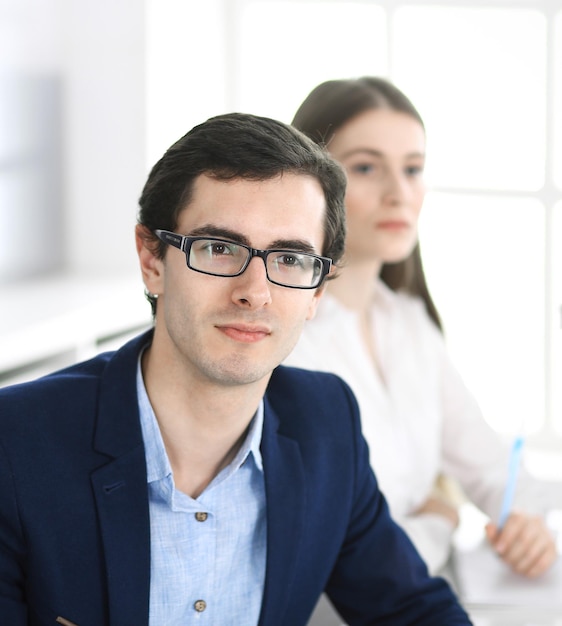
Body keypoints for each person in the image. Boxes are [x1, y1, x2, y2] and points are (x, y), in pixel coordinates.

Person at [0, 112, 471, 625]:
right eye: (219, 249)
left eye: (290, 258)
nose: (254, 291)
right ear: (152, 259)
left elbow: (409, 609)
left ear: (317, 290)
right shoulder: (16, 445)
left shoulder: (325, 425)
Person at [285, 77, 559, 578]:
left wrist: (524, 519)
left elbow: (495, 468)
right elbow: (347, 560)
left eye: (413, 169)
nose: (400, 193)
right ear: (310, 182)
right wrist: (441, 519)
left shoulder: (407, 323)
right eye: (366, 167)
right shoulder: (283, 344)